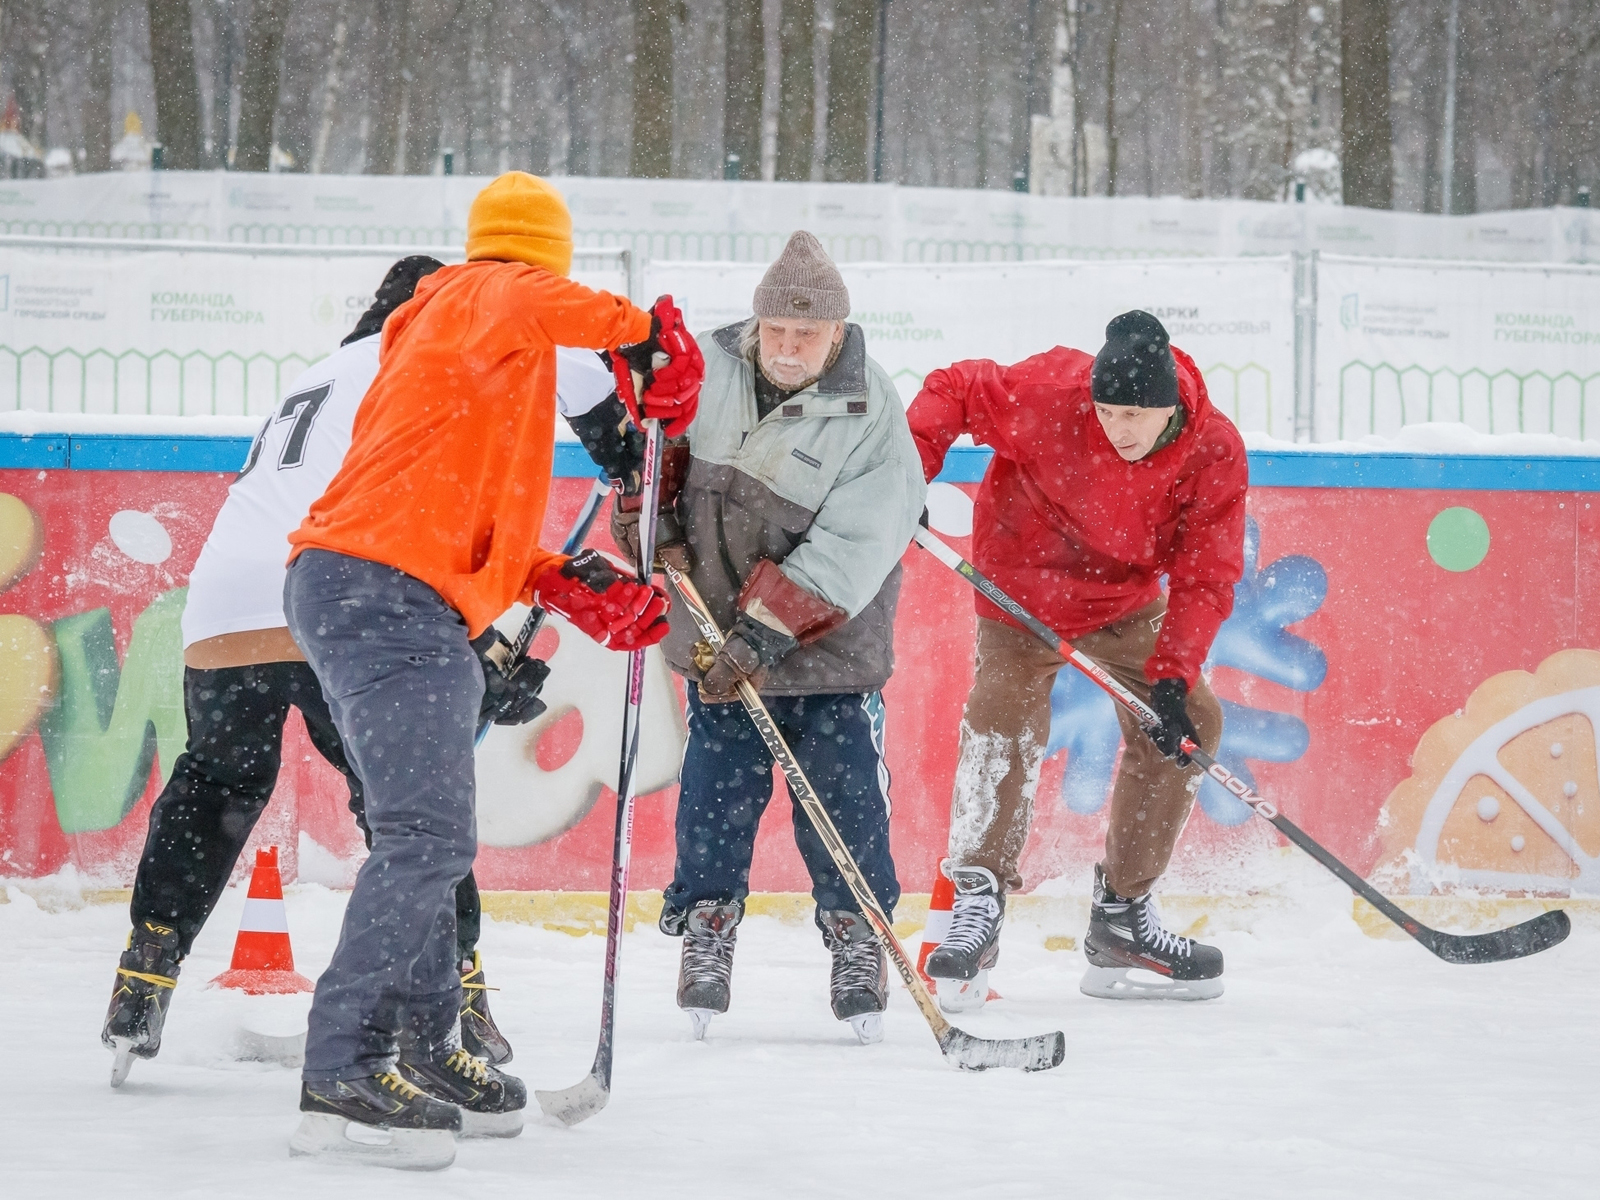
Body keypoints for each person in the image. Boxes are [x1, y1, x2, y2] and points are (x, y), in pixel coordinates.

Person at [100, 255, 653, 1087]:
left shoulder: (323, 371)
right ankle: (459, 999)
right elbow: (570, 378)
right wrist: (626, 455)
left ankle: (146, 968)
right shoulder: (438, 352)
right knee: (412, 810)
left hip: (222, 606)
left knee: (217, 781)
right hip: (337, 586)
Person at [282, 172, 702, 1167]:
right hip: (382, 594)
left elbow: (467, 530)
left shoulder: (479, 367)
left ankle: (429, 1049)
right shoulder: (481, 294)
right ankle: (342, 1066)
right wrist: (641, 332)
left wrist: (570, 583)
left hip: (381, 585)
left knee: (420, 834)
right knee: (427, 837)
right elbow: (531, 297)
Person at [616, 231, 926, 1045]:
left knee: (844, 801)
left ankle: (857, 937)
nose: (789, 348)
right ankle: (709, 928)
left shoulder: (870, 407)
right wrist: (644, 518)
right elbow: (652, 454)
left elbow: (861, 539)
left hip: (829, 645)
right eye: (777, 331)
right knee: (714, 798)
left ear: (837, 332)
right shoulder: (706, 370)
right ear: (757, 325)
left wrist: (767, 630)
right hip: (718, 633)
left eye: (807, 334)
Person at [908, 310, 1246, 1005]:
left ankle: (1123, 914)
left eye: (1134, 415)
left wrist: (1175, 676)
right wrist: (909, 475)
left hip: (1121, 599)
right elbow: (955, 388)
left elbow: (1206, 573)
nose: (1119, 428)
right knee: (999, 714)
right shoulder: (1049, 392)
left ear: (1171, 409)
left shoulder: (1213, 449)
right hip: (1020, 581)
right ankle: (977, 895)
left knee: (1189, 729)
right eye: (1108, 410)